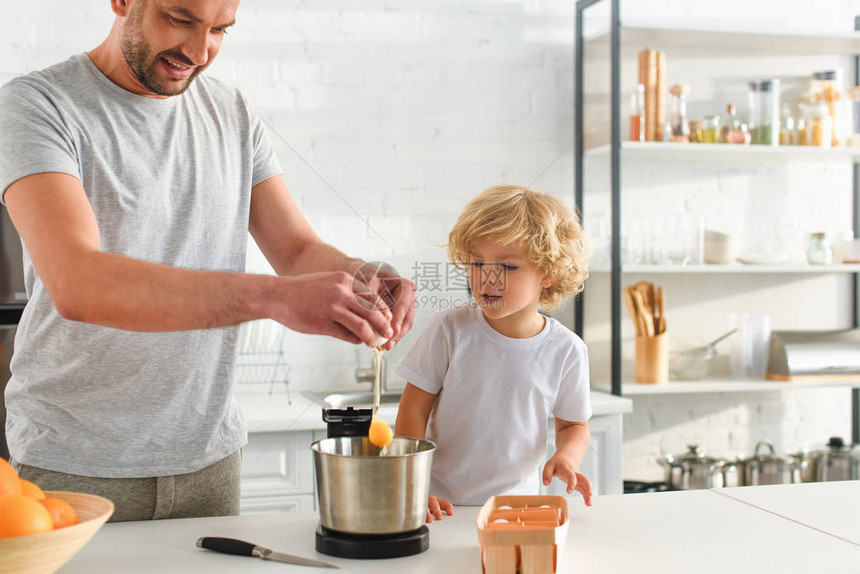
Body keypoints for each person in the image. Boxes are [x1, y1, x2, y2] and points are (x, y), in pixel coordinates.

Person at [0, 0, 415, 522]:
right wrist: (272, 298)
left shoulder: (233, 114)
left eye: (220, 29)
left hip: (209, 465)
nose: (199, 51)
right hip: (75, 466)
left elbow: (296, 250)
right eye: (180, 19)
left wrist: (362, 275)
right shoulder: (38, 105)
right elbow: (78, 282)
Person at [394, 184, 593, 522]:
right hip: (440, 508)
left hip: (517, 511)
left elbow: (574, 425)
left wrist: (567, 458)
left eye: (508, 267)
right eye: (476, 262)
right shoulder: (450, 329)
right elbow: (413, 411)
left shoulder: (567, 350)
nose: (487, 277)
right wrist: (414, 481)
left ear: (548, 273)